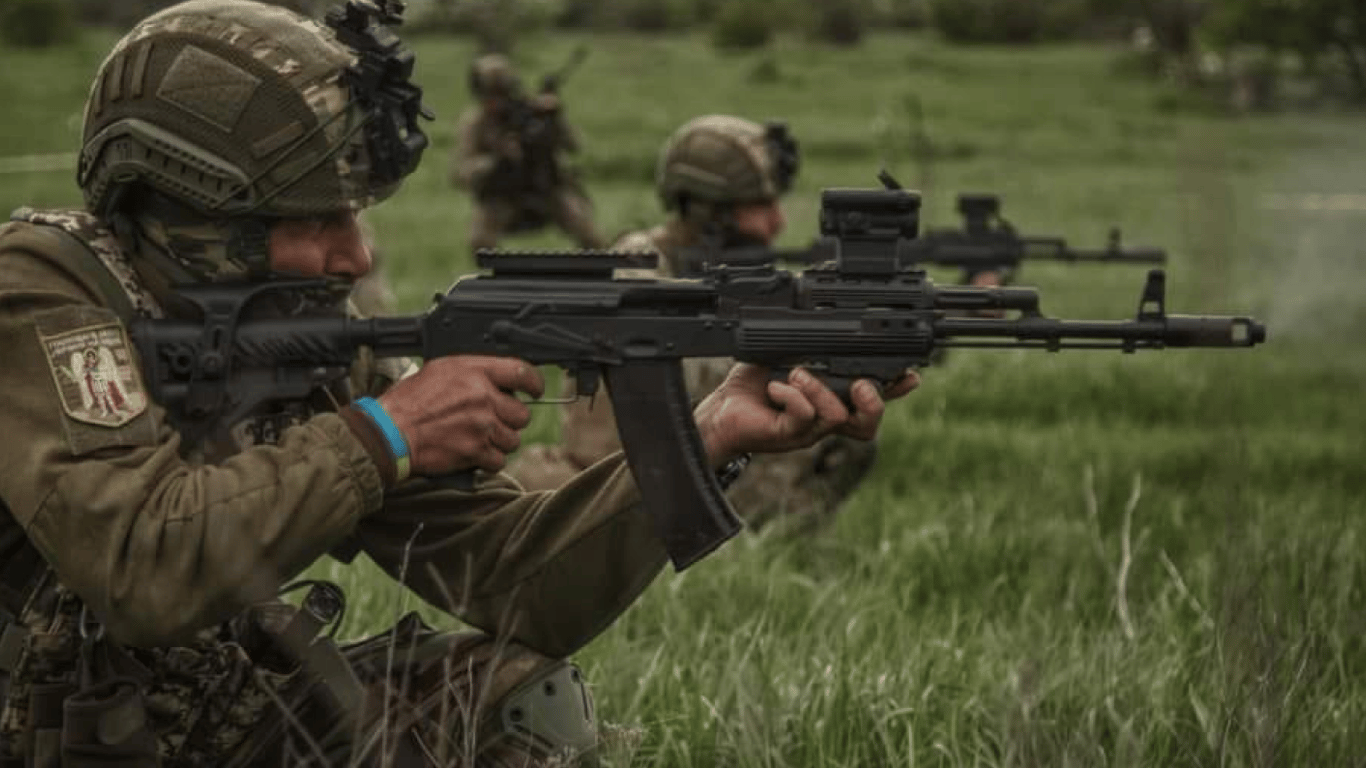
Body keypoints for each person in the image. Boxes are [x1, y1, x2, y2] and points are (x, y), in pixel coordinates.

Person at [0, 3, 914, 767]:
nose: (355, 254)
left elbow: (517, 585)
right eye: (315, 219)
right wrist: (387, 434)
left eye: (355, 215)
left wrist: (712, 432)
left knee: (517, 702)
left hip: (201, 715)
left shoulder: (300, 336)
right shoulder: (44, 291)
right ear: (197, 213)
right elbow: (137, 570)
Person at [506, 115, 882, 533]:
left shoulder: (736, 273)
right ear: (708, 209)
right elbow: (614, 447)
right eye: (760, 206)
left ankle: (772, 545)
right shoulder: (637, 275)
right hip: (629, 484)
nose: (777, 222)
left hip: (706, 467)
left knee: (845, 435)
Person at [448, 53, 604, 254]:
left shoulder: (533, 110)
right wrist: (497, 158)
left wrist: (555, 119)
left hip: (547, 188)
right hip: (503, 193)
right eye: (491, 95)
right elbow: (460, 174)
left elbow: (574, 146)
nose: (497, 101)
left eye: (502, 93)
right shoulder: (475, 123)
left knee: (592, 238)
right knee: (480, 242)